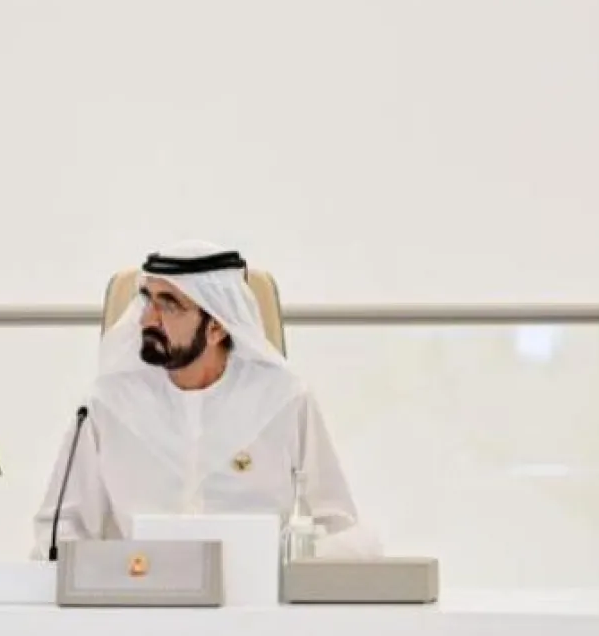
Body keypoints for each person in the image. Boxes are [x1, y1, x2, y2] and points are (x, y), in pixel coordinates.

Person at [31, 239, 378, 559]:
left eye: (169, 306)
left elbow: (342, 528)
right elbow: (59, 532)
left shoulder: (284, 399)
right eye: (148, 300)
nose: (148, 319)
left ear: (217, 327)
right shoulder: (107, 404)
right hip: (138, 610)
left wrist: (286, 567)